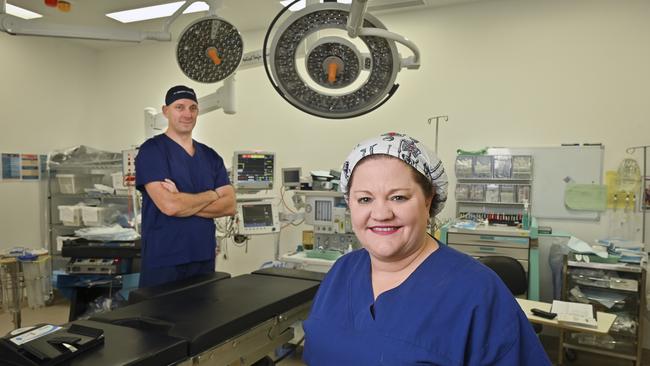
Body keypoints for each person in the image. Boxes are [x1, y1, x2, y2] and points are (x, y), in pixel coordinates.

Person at [303, 132, 551, 365]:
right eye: (365, 199)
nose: (380, 214)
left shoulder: (477, 291)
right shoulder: (342, 271)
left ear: (428, 199)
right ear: (350, 204)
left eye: (398, 197)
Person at [135, 85, 236, 288]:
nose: (187, 114)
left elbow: (229, 206)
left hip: (202, 256)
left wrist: (183, 201)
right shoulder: (152, 151)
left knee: (202, 317)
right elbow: (170, 206)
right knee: (160, 317)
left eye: (192, 108)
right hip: (165, 258)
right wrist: (211, 194)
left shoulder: (210, 156)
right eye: (179, 107)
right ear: (166, 111)